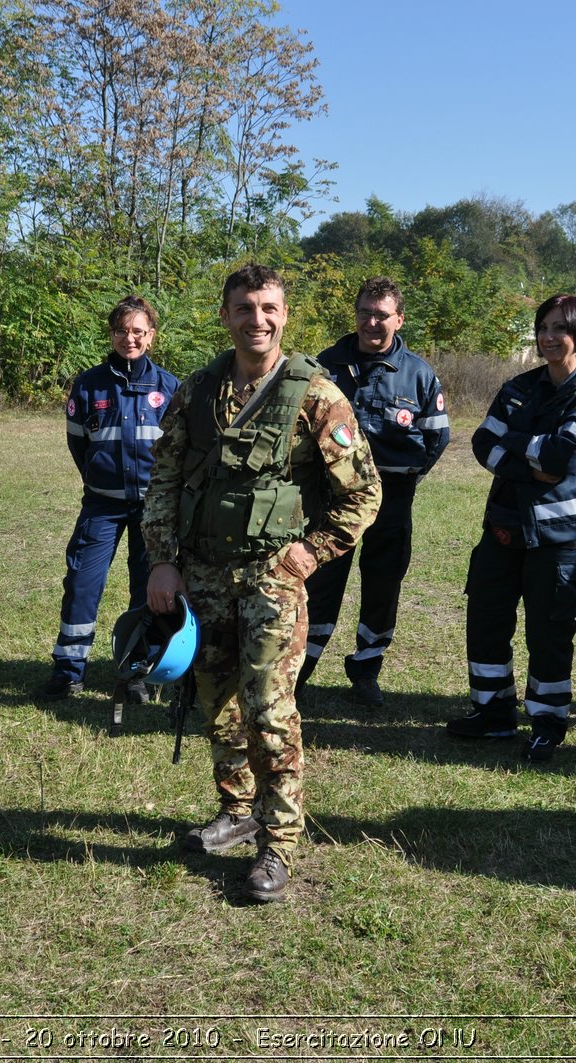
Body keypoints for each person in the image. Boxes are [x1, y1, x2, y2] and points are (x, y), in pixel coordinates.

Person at [141, 264, 381, 903]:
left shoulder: (316, 397)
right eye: (244, 308)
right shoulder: (196, 392)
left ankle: (278, 844)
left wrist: (310, 553)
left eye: (269, 308)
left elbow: (363, 493)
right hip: (203, 578)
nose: (257, 319)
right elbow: (164, 480)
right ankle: (236, 810)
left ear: (285, 314)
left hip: (272, 580)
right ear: (226, 315)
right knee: (216, 704)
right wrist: (162, 561)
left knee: (270, 713)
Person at [445, 295, 576, 760]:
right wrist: (529, 462)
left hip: (558, 541)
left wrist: (515, 446)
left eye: (561, 328)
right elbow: (482, 442)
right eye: (544, 327)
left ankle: (547, 720)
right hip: (502, 529)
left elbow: (567, 457)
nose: (550, 336)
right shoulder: (517, 388)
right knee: (486, 620)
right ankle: (493, 712)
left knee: (549, 630)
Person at [298, 277, 449, 707]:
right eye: (365, 312)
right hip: (332, 498)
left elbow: (436, 439)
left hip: (393, 498)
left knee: (382, 586)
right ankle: (300, 669)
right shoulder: (326, 365)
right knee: (320, 582)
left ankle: (366, 669)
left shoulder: (418, 374)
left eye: (382, 314)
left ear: (399, 319)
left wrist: (406, 480)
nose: (372, 322)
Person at [36, 296, 180, 700]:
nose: (129, 338)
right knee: (83, 582)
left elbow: (180, 453)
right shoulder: (88, 385)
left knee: (147, 589)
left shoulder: (170, 388)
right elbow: (79, 445)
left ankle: (136, 672)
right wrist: (103, 479)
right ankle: (68, 671)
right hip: (102, 505)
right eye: (121, 330)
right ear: (112, 334)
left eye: (138, 331)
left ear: (151, 336)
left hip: (154, 509)